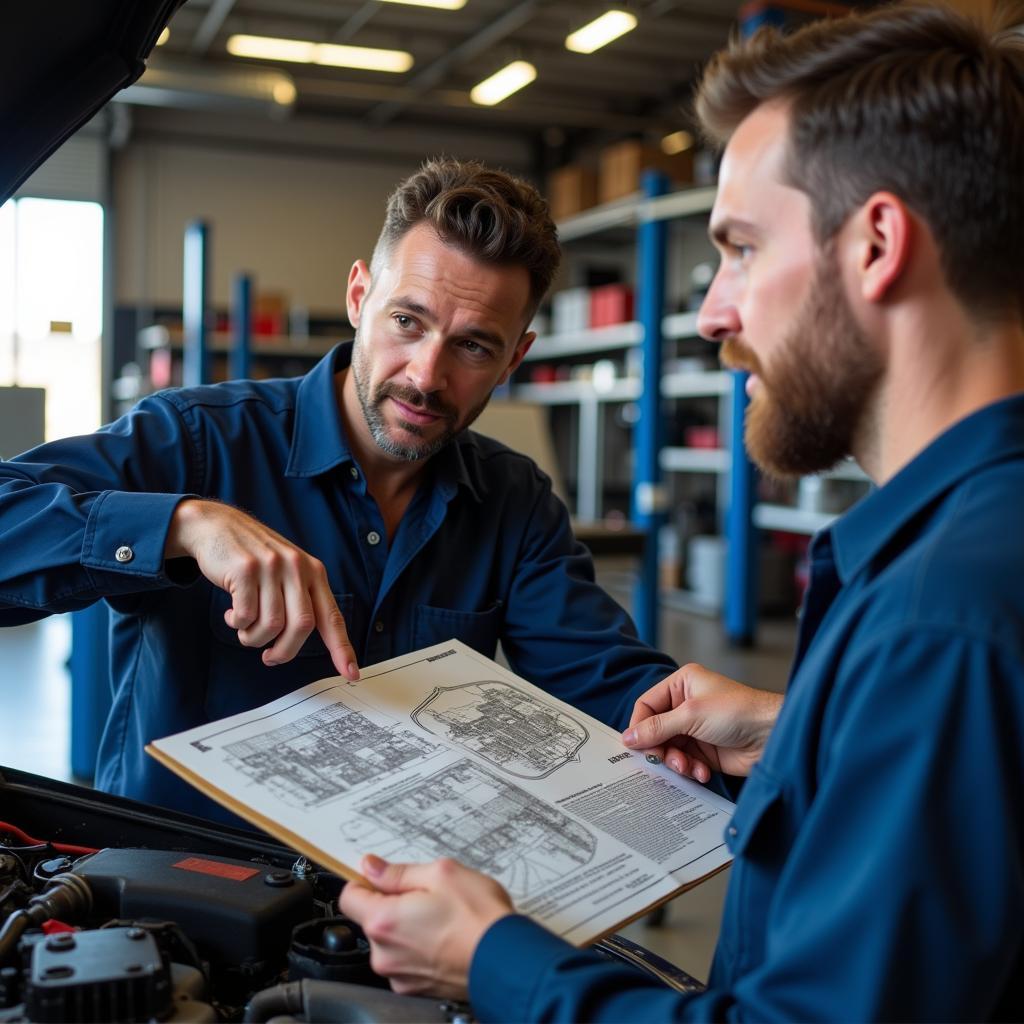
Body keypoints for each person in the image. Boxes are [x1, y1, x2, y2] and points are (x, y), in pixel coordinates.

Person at [338, 4, 1024, 1020]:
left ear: (876, 242)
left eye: (740, 248)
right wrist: (803, 736)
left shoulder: (943, 617)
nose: (712, 312)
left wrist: (492, 959)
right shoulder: (970, 567)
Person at [0, 158, 677, 821]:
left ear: (514, 358)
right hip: (181, 890)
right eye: (407, 322)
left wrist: (720, 719)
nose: (425, 375)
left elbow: (603, 680)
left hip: (385, 903)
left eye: (473, 347)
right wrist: (185, 525)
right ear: (359, 297)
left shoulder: (513, 500)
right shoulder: (199, 441)